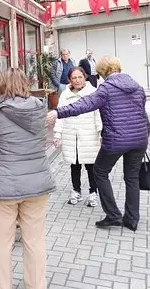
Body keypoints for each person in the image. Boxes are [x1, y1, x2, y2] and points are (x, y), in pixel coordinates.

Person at [0, 68, 55, 289]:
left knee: (3, 243)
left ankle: (3, 286)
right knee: (35, 241)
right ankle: (36, 285)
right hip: (37, 185)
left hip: (4, 187)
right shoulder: (39, 110)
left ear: (2, 86)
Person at [47, 56, 150, 231]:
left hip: (117, 139)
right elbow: (143, 114)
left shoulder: (106, 89)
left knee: (100, 172)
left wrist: (58, 112)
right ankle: (132, 220)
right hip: (140, 139)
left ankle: (113, 215)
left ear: (101, 72)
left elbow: (84, 104)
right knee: (132, 178)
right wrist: (146, 134)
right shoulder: (138, 87)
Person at [53, 67, 102, 207]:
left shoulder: (93, 92)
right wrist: (57, 133)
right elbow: (60, 115)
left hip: (89, 134)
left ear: (84, 77)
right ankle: (76, 191)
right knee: (74, 165)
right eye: (74, 78)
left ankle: (93, 193)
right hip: (71, 134)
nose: (77, 80)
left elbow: (98, 114)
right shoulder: (65, 94)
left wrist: (100, 132)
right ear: (69, 80)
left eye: (79, 77)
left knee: (91, 166)